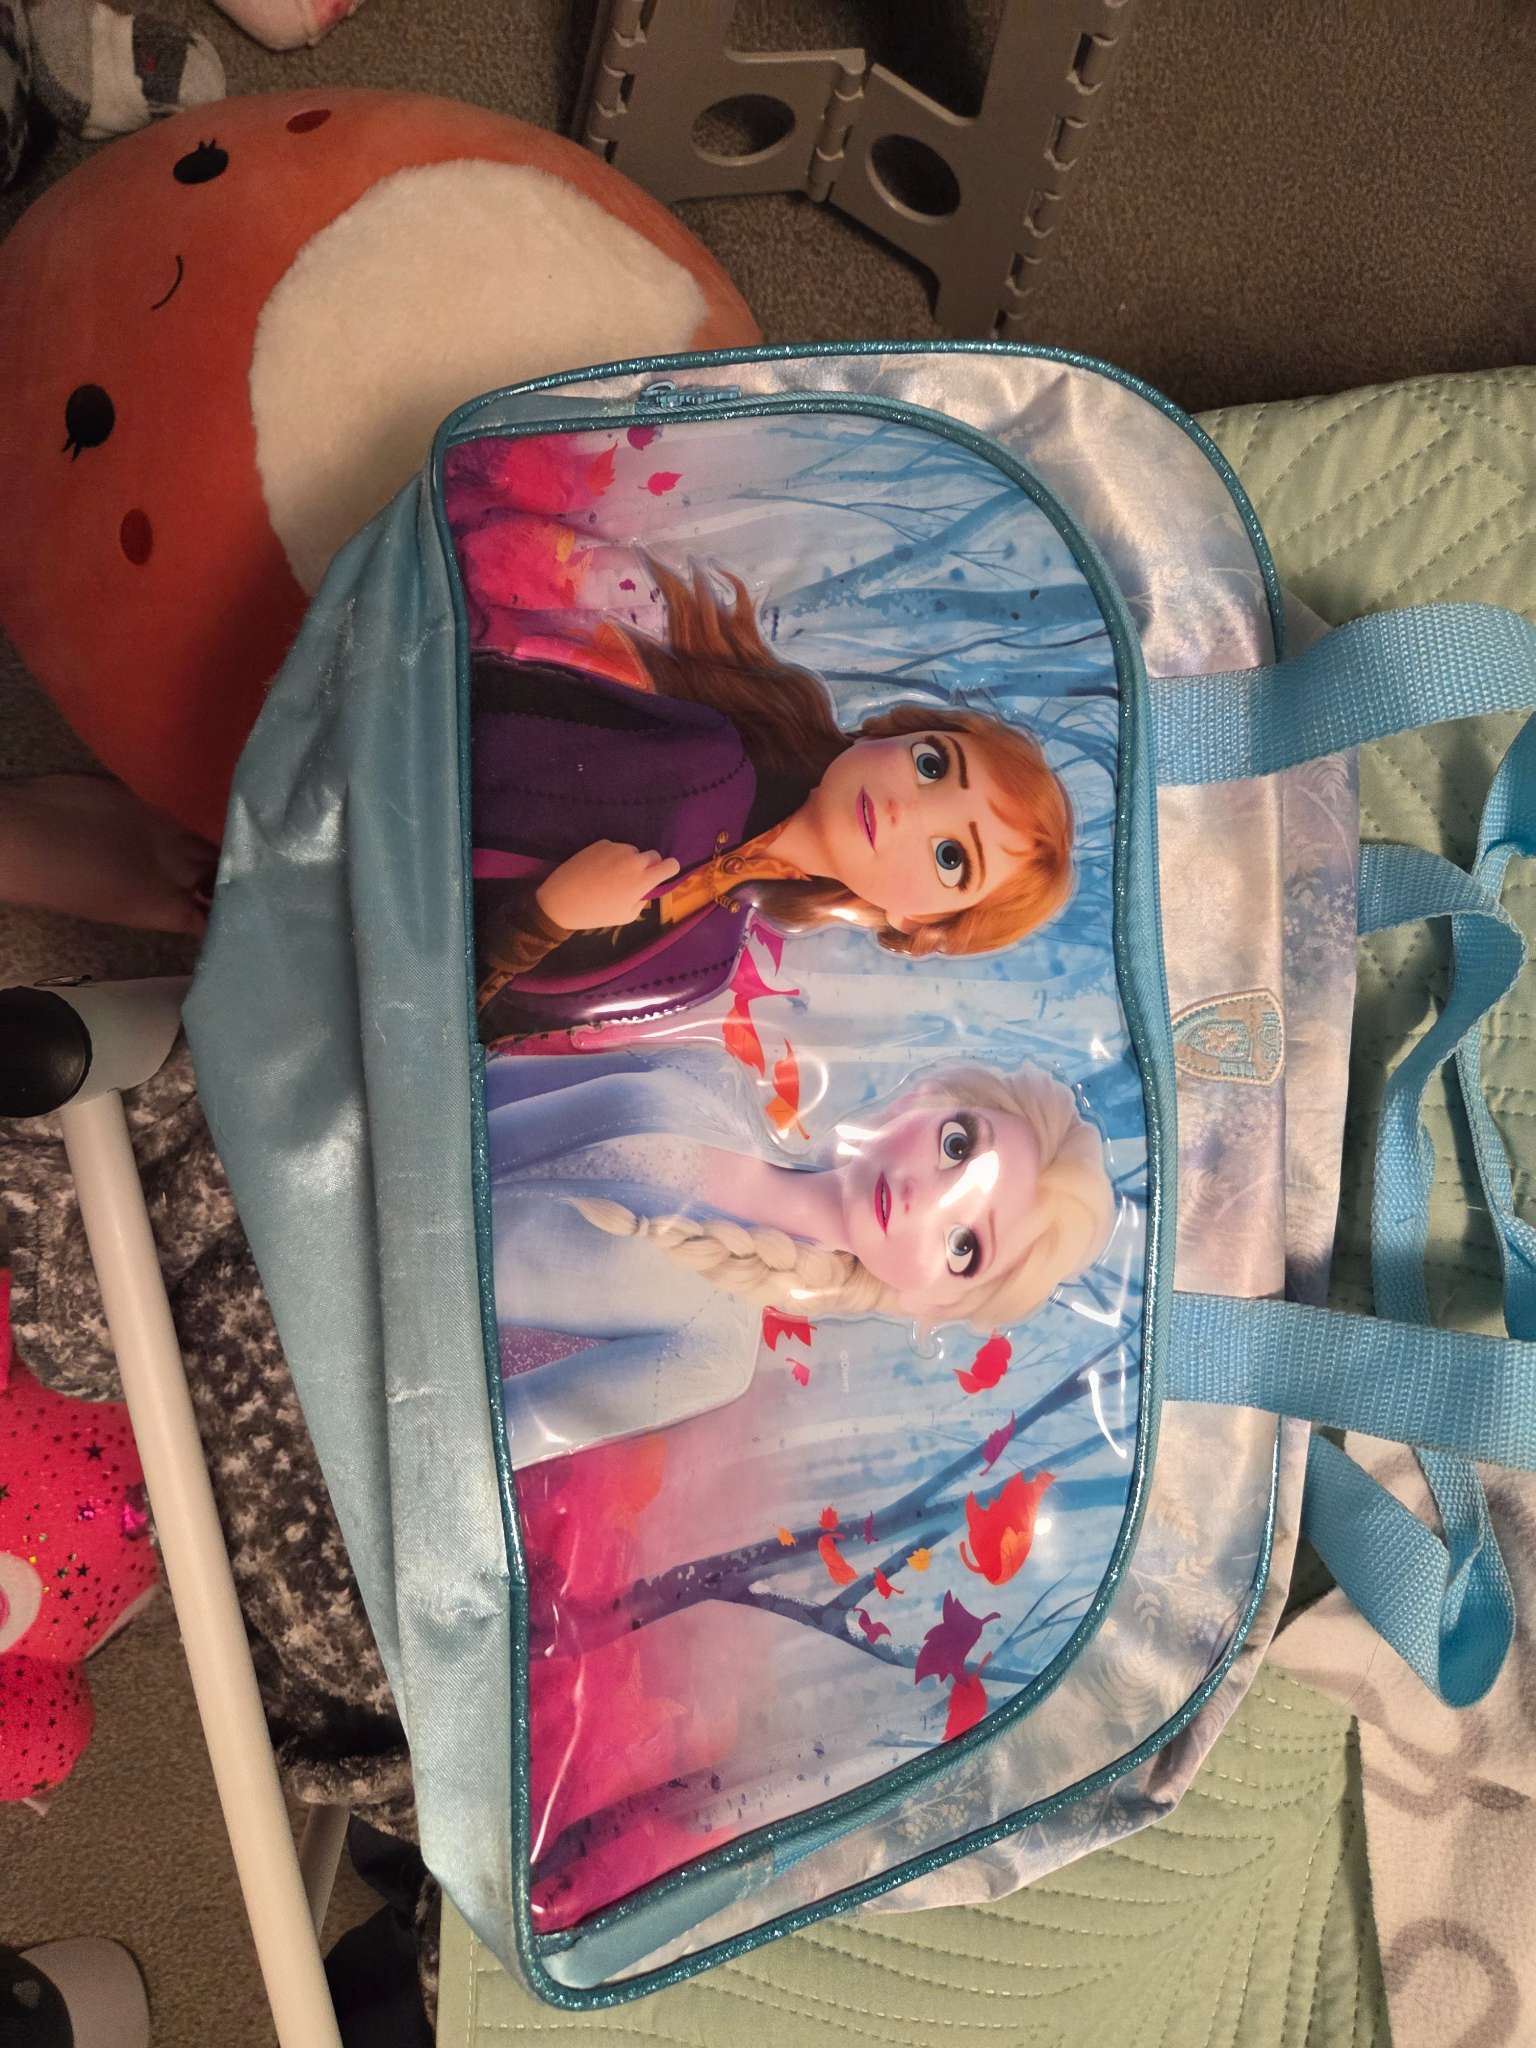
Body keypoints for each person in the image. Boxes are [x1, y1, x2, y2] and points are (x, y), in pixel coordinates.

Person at [472, 556, 1074, 1043]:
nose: (907, 809)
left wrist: (545, 918)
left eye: (950, 857)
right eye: (932, 765)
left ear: (915, 922)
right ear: (896, 734)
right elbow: (484, 713)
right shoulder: (702, 750)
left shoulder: (702, 970)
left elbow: (478, 1028)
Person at [490, 1053, 1114, 1465]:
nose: (923, 1196)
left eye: (963, 1247)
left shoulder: (712, 1353)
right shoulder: (715, 1080)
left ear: (936, 1301)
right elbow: (497, 1076)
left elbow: (502, 1430)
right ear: (923, 1100)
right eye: (956, 1145)